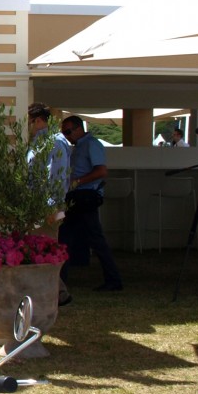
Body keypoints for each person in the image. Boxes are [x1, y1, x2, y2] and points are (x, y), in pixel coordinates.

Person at [57, 115, 123, 292]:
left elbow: (101, 171)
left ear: (79, 129)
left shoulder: (92, 144)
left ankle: (113, 279)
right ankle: (60, 281)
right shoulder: (78, 146)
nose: (67, 136)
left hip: (85, 196)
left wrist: (76, 182)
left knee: (91, 238)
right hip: (76, 196)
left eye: (68, 132)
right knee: (66, 238)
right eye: (64, 133)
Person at [27, 102, 72, 310]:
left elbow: (57, 176)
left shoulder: (54, 142)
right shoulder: (42, 140)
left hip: (47, 207)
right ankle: (57, 293)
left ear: (37, 120)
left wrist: (52, 207)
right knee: (39, 250)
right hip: (39, 205)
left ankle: (57, 294)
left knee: (45, 251)